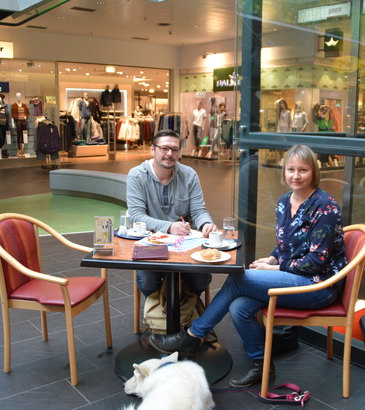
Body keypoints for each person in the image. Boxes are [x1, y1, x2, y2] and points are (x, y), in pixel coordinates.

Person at [150, 144, 347, 388]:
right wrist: (272, 258)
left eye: (303, 170)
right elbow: (286, 245)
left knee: (239, 279)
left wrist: (274, 268)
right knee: (239, 306)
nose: (296, 176)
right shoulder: (285, 202)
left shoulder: (325, 205)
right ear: (284, 172)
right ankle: (261, 365)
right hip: (295, 277)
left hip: (319, 285)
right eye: (291, 169)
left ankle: (190, 336)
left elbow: (316, 261)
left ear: (313, 172)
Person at [127, 130, 218, 302]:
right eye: (164, 148)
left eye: (175, 149)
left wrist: (206, 223)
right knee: (147, 282)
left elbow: (198, 210)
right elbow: (136, 216)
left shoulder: (189, 175)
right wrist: (169, 227)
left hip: (185, 244)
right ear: (152, 150)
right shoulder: (137, 175)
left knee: (202, 279)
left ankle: (184, 311)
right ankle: (160, 316)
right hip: (151, 244)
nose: (170, 154)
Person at [11, 92, 30, 157]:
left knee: (24, 135)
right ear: (16, 97)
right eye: (17, 97)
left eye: (19, 96)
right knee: (19, 135)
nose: (18, 98)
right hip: (18, 122)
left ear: (21, 97)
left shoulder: (24, 105)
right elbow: (12, 115)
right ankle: (19, 149)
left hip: (24, 122)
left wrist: (26, 117)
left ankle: (23, 150)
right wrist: (13, 123)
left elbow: (27, 113)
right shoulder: (13, 106)